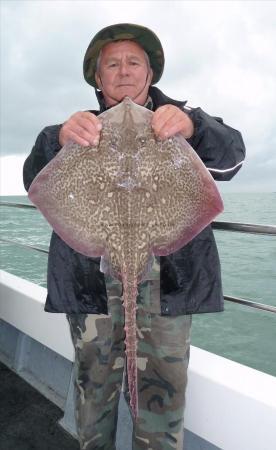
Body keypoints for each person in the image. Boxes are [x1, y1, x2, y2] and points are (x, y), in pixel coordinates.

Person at [23, 23, 246, 450]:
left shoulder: (180, 123)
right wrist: (56, 140)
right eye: (112, 64)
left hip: (168, 282)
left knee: (162, 400)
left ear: (150, 74)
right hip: (90, 286)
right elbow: (35, 181)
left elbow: (233, 157)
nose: (123, 71)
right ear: (97, 77)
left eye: (133, 62)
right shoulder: (76, 130)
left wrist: (195, 127)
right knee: (93, 394)